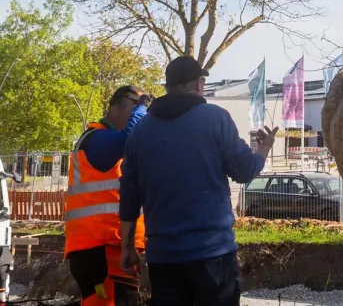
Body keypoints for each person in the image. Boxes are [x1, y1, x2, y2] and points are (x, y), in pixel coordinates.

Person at [119, 56, 276, 306]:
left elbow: (129, 194)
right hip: (212, 255)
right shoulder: (215, 118)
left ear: (168, 86)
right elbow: (245, 171)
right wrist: (263, 149)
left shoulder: (141, 131)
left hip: (163, 258)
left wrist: (126, 245)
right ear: (199, 84)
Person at [63, 84, 152, 306]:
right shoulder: (95, 140)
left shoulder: (114, 147)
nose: (139, 115)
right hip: (100, 248)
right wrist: (142, 109)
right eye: (133, 108)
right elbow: (128, 138)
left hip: (110, 246)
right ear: (114, 110)